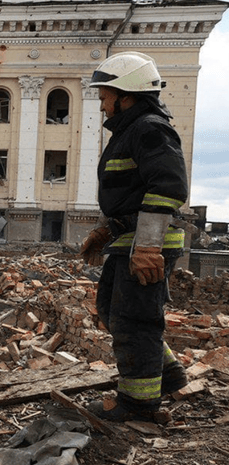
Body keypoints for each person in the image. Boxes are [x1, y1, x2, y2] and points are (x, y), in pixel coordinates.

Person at [81, 51, 189, 422]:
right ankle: (169, 374)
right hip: (129, 242)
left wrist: (146, 246)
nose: (101, 104)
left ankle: (138, 403)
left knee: (136, 321)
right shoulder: (131, 130)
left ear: (125, 95)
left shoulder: (148, 128)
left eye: (105, 95)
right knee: (114, 312)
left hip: (148, 245)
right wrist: (105, 230)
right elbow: (130, 193)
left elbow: (168, 187)